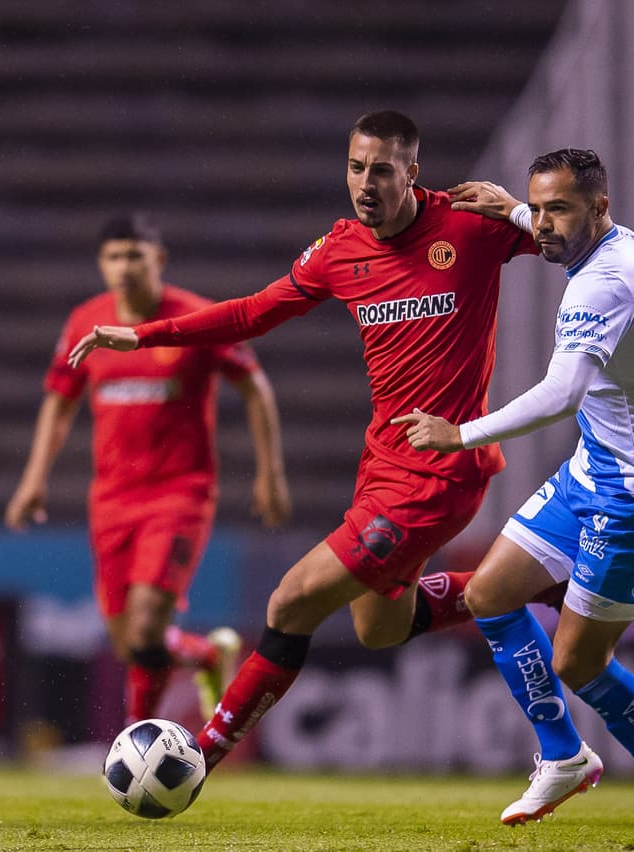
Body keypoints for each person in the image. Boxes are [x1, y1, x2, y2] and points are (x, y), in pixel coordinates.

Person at [67, 110, 544, 772]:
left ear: (412, 172)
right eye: (355, 168)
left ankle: (198, 756)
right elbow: (251, 312)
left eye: (382, 170)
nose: (365, 183)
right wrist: (145, 336)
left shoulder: (469, 225)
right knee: (380, 629)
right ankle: (534, 579)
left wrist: (519, 211)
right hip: (381, 466)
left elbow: (582, 241)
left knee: (290, 602)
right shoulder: (340, 250)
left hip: (440, 471)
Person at [395, 149, 634, 831]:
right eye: (538, 209)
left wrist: (460, 435)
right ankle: (563, 755)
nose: (542, 224)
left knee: (578, 661)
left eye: (557, 210)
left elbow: (562, 393)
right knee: (489, 594)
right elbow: (554, 225)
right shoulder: (617, 242)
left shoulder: (602, 284)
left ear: (599, 208)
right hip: (592, 469)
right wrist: (512, 209)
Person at [6, 212, 292, 726]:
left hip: (180, 493)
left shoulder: (195, 317)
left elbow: (255, 386)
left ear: (158, 259)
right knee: (128, 643)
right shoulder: (85, 322)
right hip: (111, 498)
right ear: (101, 264)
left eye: (134, 256)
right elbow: (60, 400)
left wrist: (269, 473)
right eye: (114, 257)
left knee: (143, 629)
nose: (124, 267)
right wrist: (33, 480)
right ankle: (205, 654)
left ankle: (135, 740)